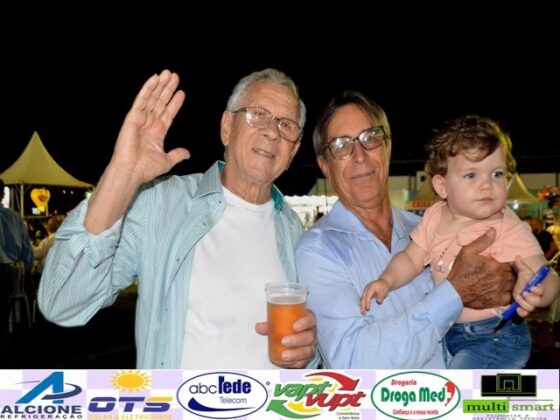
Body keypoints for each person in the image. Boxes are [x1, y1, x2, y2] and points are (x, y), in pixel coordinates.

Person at [38, 69, 318, 369]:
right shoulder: (163, 203)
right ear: (227, 127)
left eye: (286, 125)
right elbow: (62, 302)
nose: (272, 132)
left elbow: (306, 345)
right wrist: (121, 174)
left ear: (293, 151)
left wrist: (308, 350)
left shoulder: (293, 229)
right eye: (258, 114)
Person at [295, 91, 540, 369]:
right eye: (341, 145)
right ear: (325, 166)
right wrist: (455, 291)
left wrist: (517, 284)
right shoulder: (318, 250)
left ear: (387, 147)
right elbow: (353, 363)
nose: (359, 155)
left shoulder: (427, 227)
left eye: (370, 138)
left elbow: (519, 284)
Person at [360, 115, 560, 368]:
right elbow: (411, 258)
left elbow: (548, 275)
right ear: (442, 186)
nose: (487, 185)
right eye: (471, 175)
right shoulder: (434, 216)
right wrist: (386, 281)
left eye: (497, 174)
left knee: (459, 387)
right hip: (449, 332)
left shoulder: (506, 226)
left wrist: (537, 292)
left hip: (496, 336)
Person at [0, 179, 33, 365]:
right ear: (2, 195)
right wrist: (27, 272)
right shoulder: (14, 217)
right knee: (3, 317)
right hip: (8, 271)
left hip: (7, 271)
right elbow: (27, 250)